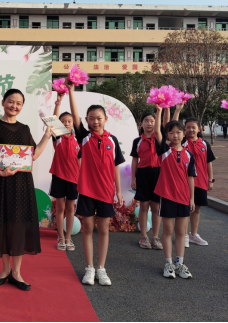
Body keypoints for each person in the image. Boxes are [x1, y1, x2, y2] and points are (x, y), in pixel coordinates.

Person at [0, 88, 53, 292]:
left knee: (19, 225)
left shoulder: (24, 129)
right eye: (11, 101)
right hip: (0, 181)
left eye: (19, 103)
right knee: (3, 224)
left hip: (22, 184)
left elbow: (33, 155)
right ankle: (5, 270)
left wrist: (46, 136)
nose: (14, 106)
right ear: (3, 102)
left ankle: (17, 273)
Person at [67, 80, 124, 287]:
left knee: (104, 230)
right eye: (91, 118)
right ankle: (89, 268)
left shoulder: (113, 141)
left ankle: (101, 268)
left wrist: (118, 191)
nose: (95, 121)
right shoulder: (83, 137)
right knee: (88, 229)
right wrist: (71, 91)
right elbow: (74, 117)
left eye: (99, 118)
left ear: (106, 119)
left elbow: (116, 167)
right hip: (87, 191)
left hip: (106, 192)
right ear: (87, 120)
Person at [153, 105, 196, 280]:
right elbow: (157, 131)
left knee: (180, 232)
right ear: (167, 135)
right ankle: (168, 263)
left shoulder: (189, 155)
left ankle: (180, 263)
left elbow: (191, 178)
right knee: (168, 230)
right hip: (167, 197)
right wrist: (159, 111)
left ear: (184, 134)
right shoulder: (164, 151)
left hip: (184, 198)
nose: (175, 135)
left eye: (179, 132)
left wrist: (192, 198)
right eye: (171, 133)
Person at [172, 106, 216, 247]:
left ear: (199, 128)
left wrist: (210, 179)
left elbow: (208, 162)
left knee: (196, 209)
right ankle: (184, 235)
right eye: (188, 127)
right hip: (184, 182)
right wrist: (177, 110)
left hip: (201, 182)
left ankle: (193, 234)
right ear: (184, 130)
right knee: (185, 209)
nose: (191, 130)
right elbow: (173, 125)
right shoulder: (182, 142)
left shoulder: (205, 144)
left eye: (193, 127)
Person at [50, 92, 81, 252]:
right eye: (63, 121)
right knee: (60, 208)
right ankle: (60, 237)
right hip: (59, 177)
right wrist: (58, 102)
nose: (66, 123)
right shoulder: (58, 137)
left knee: (70, 209)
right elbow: (52, 122)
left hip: (74, 179)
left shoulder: (79, 140)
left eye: (69, 121)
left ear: (73, 123)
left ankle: (68, 237)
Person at [130, 113, 163, 250]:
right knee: (143, 206)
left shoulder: (160, 138)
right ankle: (144, 237)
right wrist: (133, 178)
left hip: (158, 174)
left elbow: (165, 122)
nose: (149, 123)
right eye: (146, 121)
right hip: (143, 174)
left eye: (152, 121)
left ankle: (155, 237)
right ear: (141, 124)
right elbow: (135, 160)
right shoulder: (137, 141)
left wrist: (160, 111)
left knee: (156, 207)